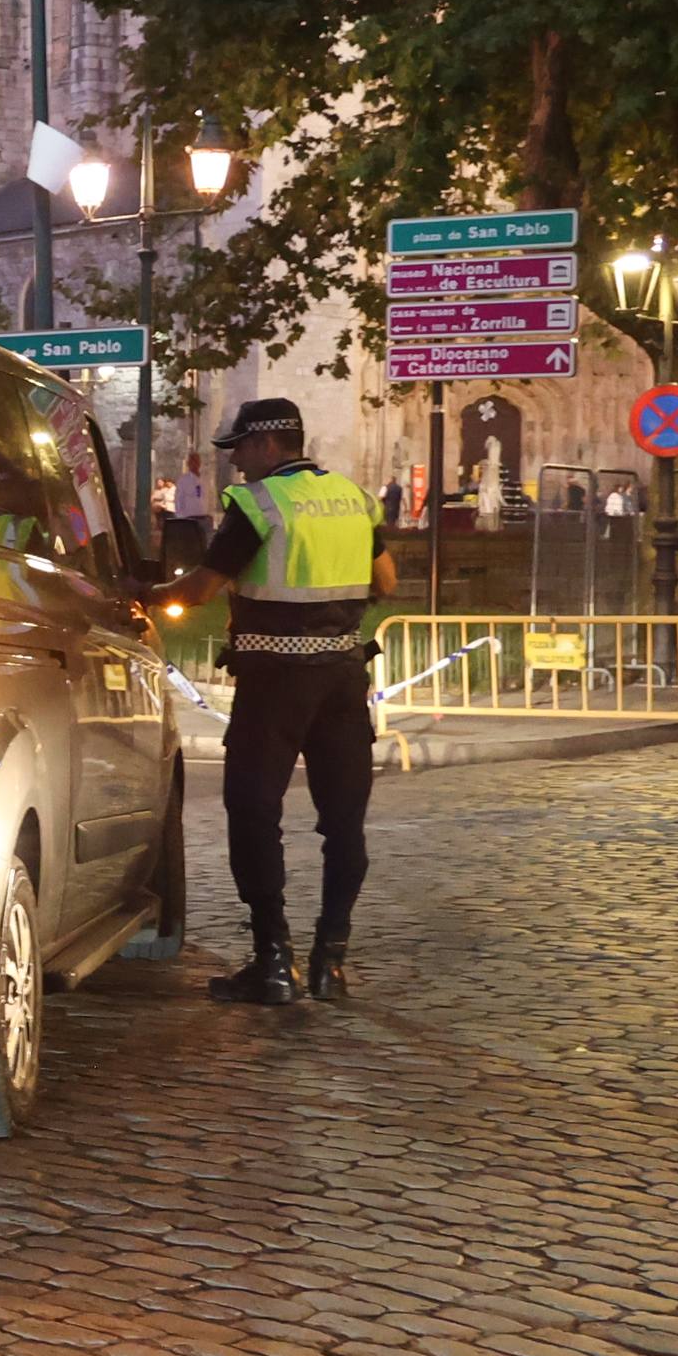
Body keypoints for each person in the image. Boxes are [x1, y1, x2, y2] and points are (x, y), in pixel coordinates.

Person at [150, 398, 396, 1005]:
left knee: (254, 811)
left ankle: (272, 962)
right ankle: (329, 963)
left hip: (274, 684)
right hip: (341, 677)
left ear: (266, 445)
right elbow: (386, 583)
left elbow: (203, 586)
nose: (235, 464)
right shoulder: (354, 498)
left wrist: (146, 593)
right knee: (344, 825)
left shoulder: (258, 504)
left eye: (238, 450)